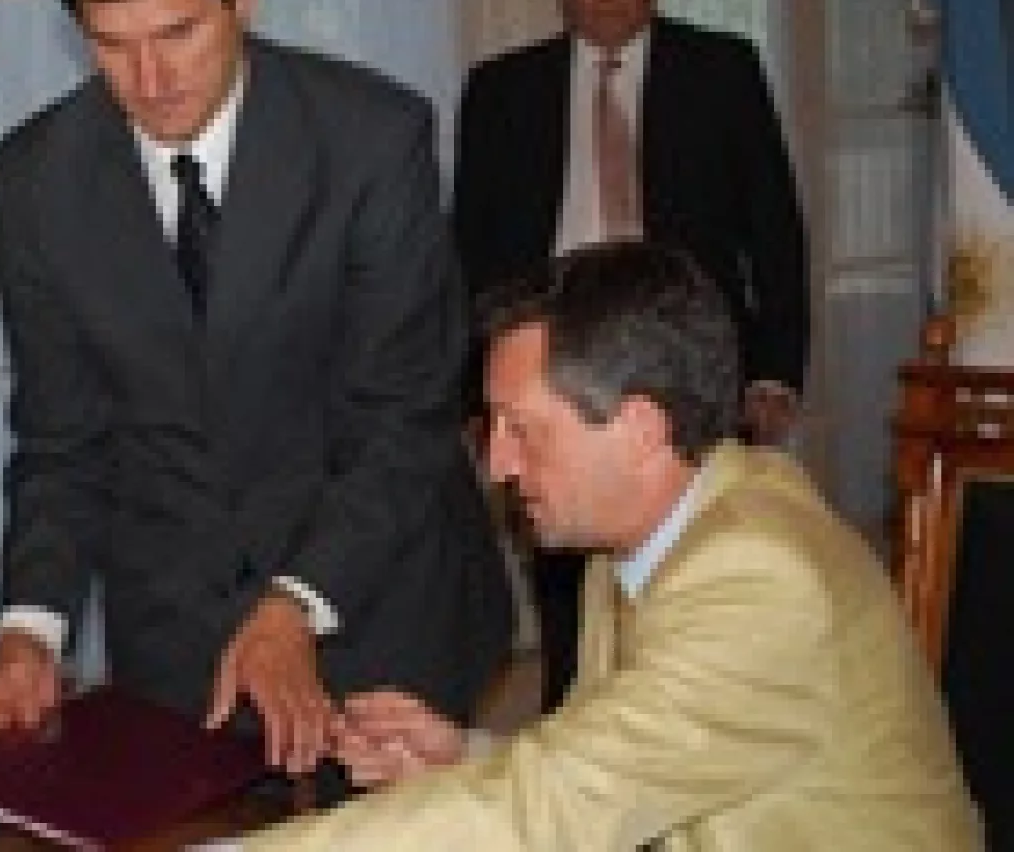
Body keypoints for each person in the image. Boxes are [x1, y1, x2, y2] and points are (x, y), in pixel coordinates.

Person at [236, 242, 982, 850]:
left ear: (640, 428)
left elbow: (558, 807)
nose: (497, 464)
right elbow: (613, 764)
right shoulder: (644, 535)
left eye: (522, 429)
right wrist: (465, 760)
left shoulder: (760, 575)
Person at [0, 0, 513, 787]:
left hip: (375, 603)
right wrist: (29, 632)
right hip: (175, 638)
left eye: (177, 34)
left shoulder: (369, 139)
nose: (151, 80)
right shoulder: (37, 177)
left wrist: (293, 604)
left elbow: (402, 419)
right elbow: (60, 439)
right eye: (111, 46)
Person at [452, 0, 812, 712]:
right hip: (555, 366)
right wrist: (479, 399)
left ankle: (698, 712)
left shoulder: (721, 72)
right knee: (564, 569)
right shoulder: (503, 90)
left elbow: (775, 231)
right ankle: (573, 715)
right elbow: (471, 256)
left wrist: (775, 370)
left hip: (685, 358)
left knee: (698, 558)